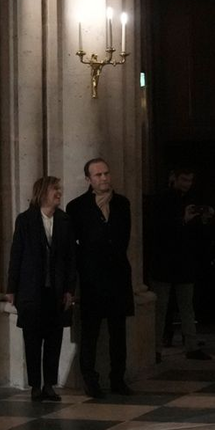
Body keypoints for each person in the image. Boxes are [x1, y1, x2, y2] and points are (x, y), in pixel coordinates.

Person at [66, 157, 134, 398]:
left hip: (117, 276)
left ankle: (118, 378)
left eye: (106, 173)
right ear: (88, 179)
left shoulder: (122, 203)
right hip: (92, 280)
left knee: (118, 332)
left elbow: (124, 238)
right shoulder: (76, 207)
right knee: (90, 332)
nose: (104, 178)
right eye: (98, 175)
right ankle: (90, 380)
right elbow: (74, 246)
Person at [7, 175, 75, 401]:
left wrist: (69, 290)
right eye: (55, 189)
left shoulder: (65, 220)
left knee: (54, 339)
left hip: (55, 291)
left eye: (59, 189)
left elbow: (70, 260)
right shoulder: (25, 220)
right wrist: (11, 288)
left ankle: (50, 385)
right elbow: (16, 255)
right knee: (33, 339)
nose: (59, 193)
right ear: (43, 192)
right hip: (31, 290)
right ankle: (35, 385)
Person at [149, 166, 211, 360]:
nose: (187, 184)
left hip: (184, 262)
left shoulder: (192, 199)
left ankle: (191, 346)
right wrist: (182, 220)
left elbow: (197, 235)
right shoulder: (161, 200)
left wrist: (203, 219)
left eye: (190, 180)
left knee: (187, 307)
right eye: (183, 179)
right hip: (164, 262)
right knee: (160, 309)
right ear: (173, 178)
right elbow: (157, 230)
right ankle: (155, 349)